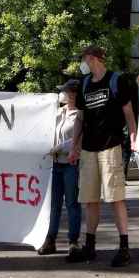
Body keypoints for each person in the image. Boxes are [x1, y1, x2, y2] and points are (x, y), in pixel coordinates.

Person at [68, 45, 137, 267]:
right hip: (89, 149)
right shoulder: (84, 84)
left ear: (93, 58)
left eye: (84, 59)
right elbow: (80, 118)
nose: (82, 63)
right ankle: (90, 247)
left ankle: (124, 248)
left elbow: (128, 112)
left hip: (111, 147)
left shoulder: (116, 80)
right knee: (90, 200)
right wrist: (74, 146)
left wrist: (133, 137)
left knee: (116, 197)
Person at [38, 79, 83, 259]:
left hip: (71, 164)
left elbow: (79, 140)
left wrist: (61, 147)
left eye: (64, 91)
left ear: (73, 94)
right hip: (55, 164)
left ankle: (73, 241)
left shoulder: (81, 114)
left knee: (72, 203)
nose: (62, 94)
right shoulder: (57, 112)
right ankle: (50, 239)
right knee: (54, 205)